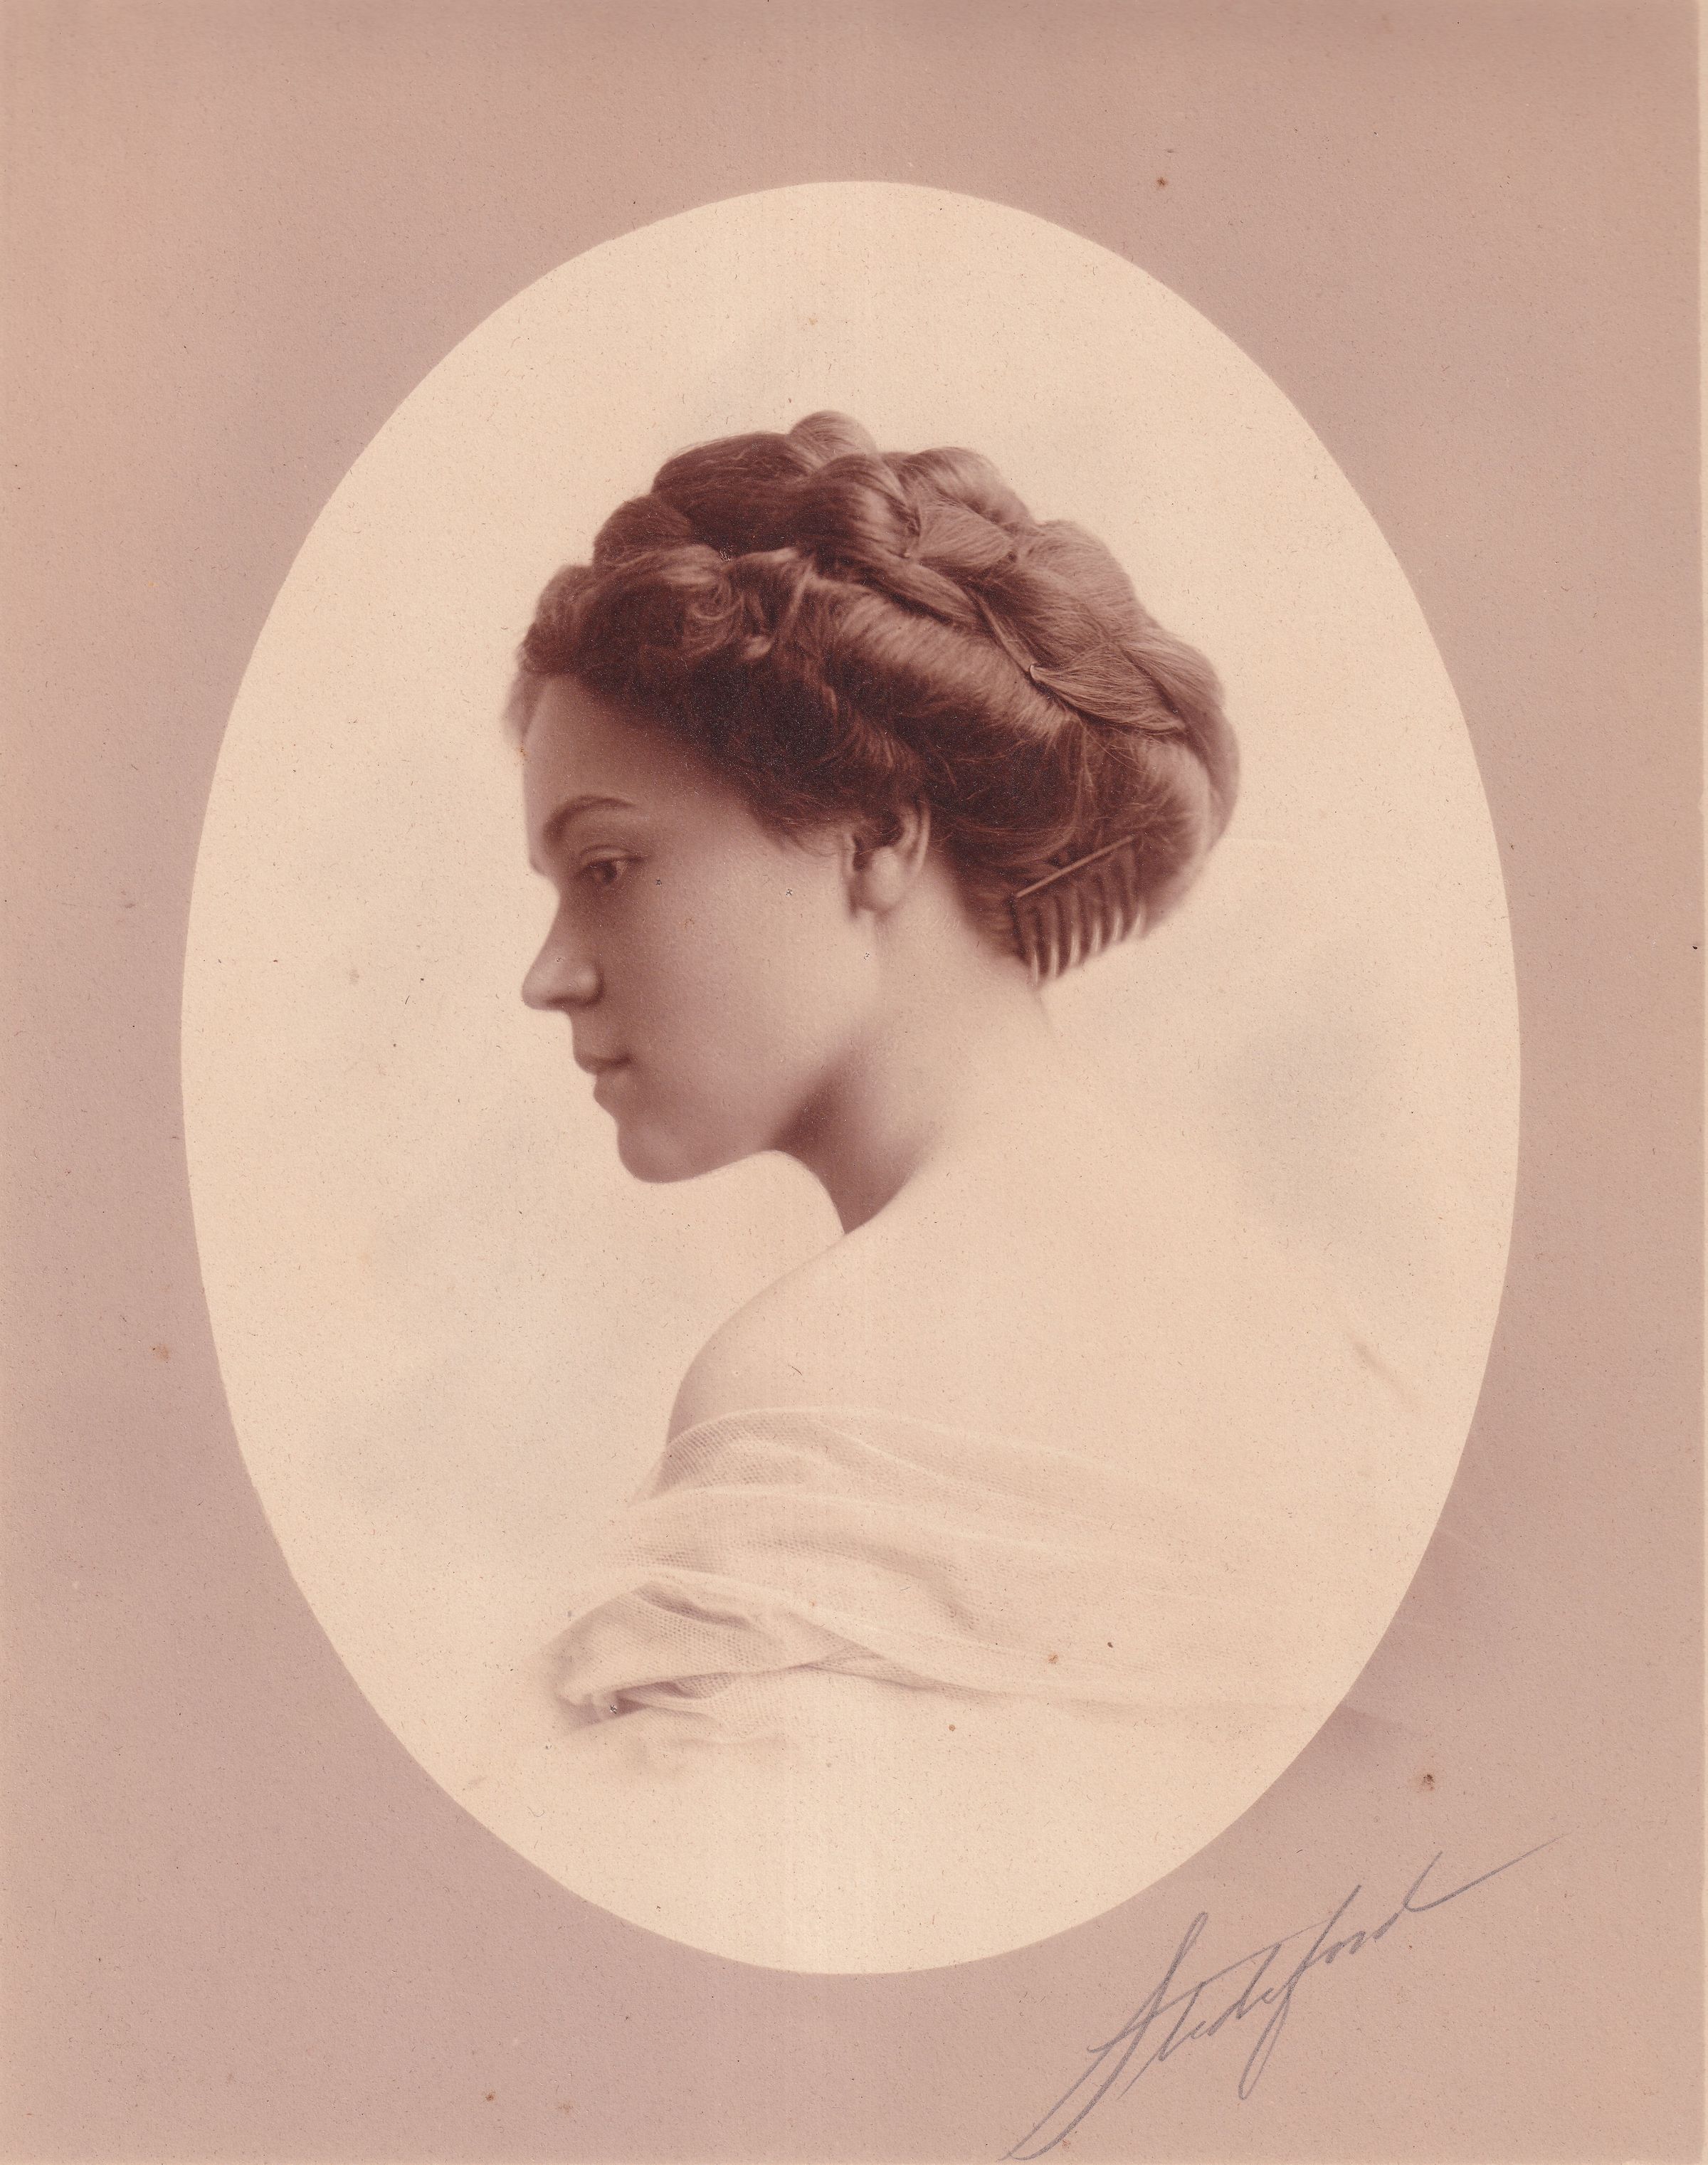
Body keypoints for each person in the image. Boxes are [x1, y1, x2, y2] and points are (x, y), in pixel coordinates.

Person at [481, 413, 1423, 1966]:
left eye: (610, 868)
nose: (550, 974)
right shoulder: (1291, 1313)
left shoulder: (809, 1384)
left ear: (875, 839)